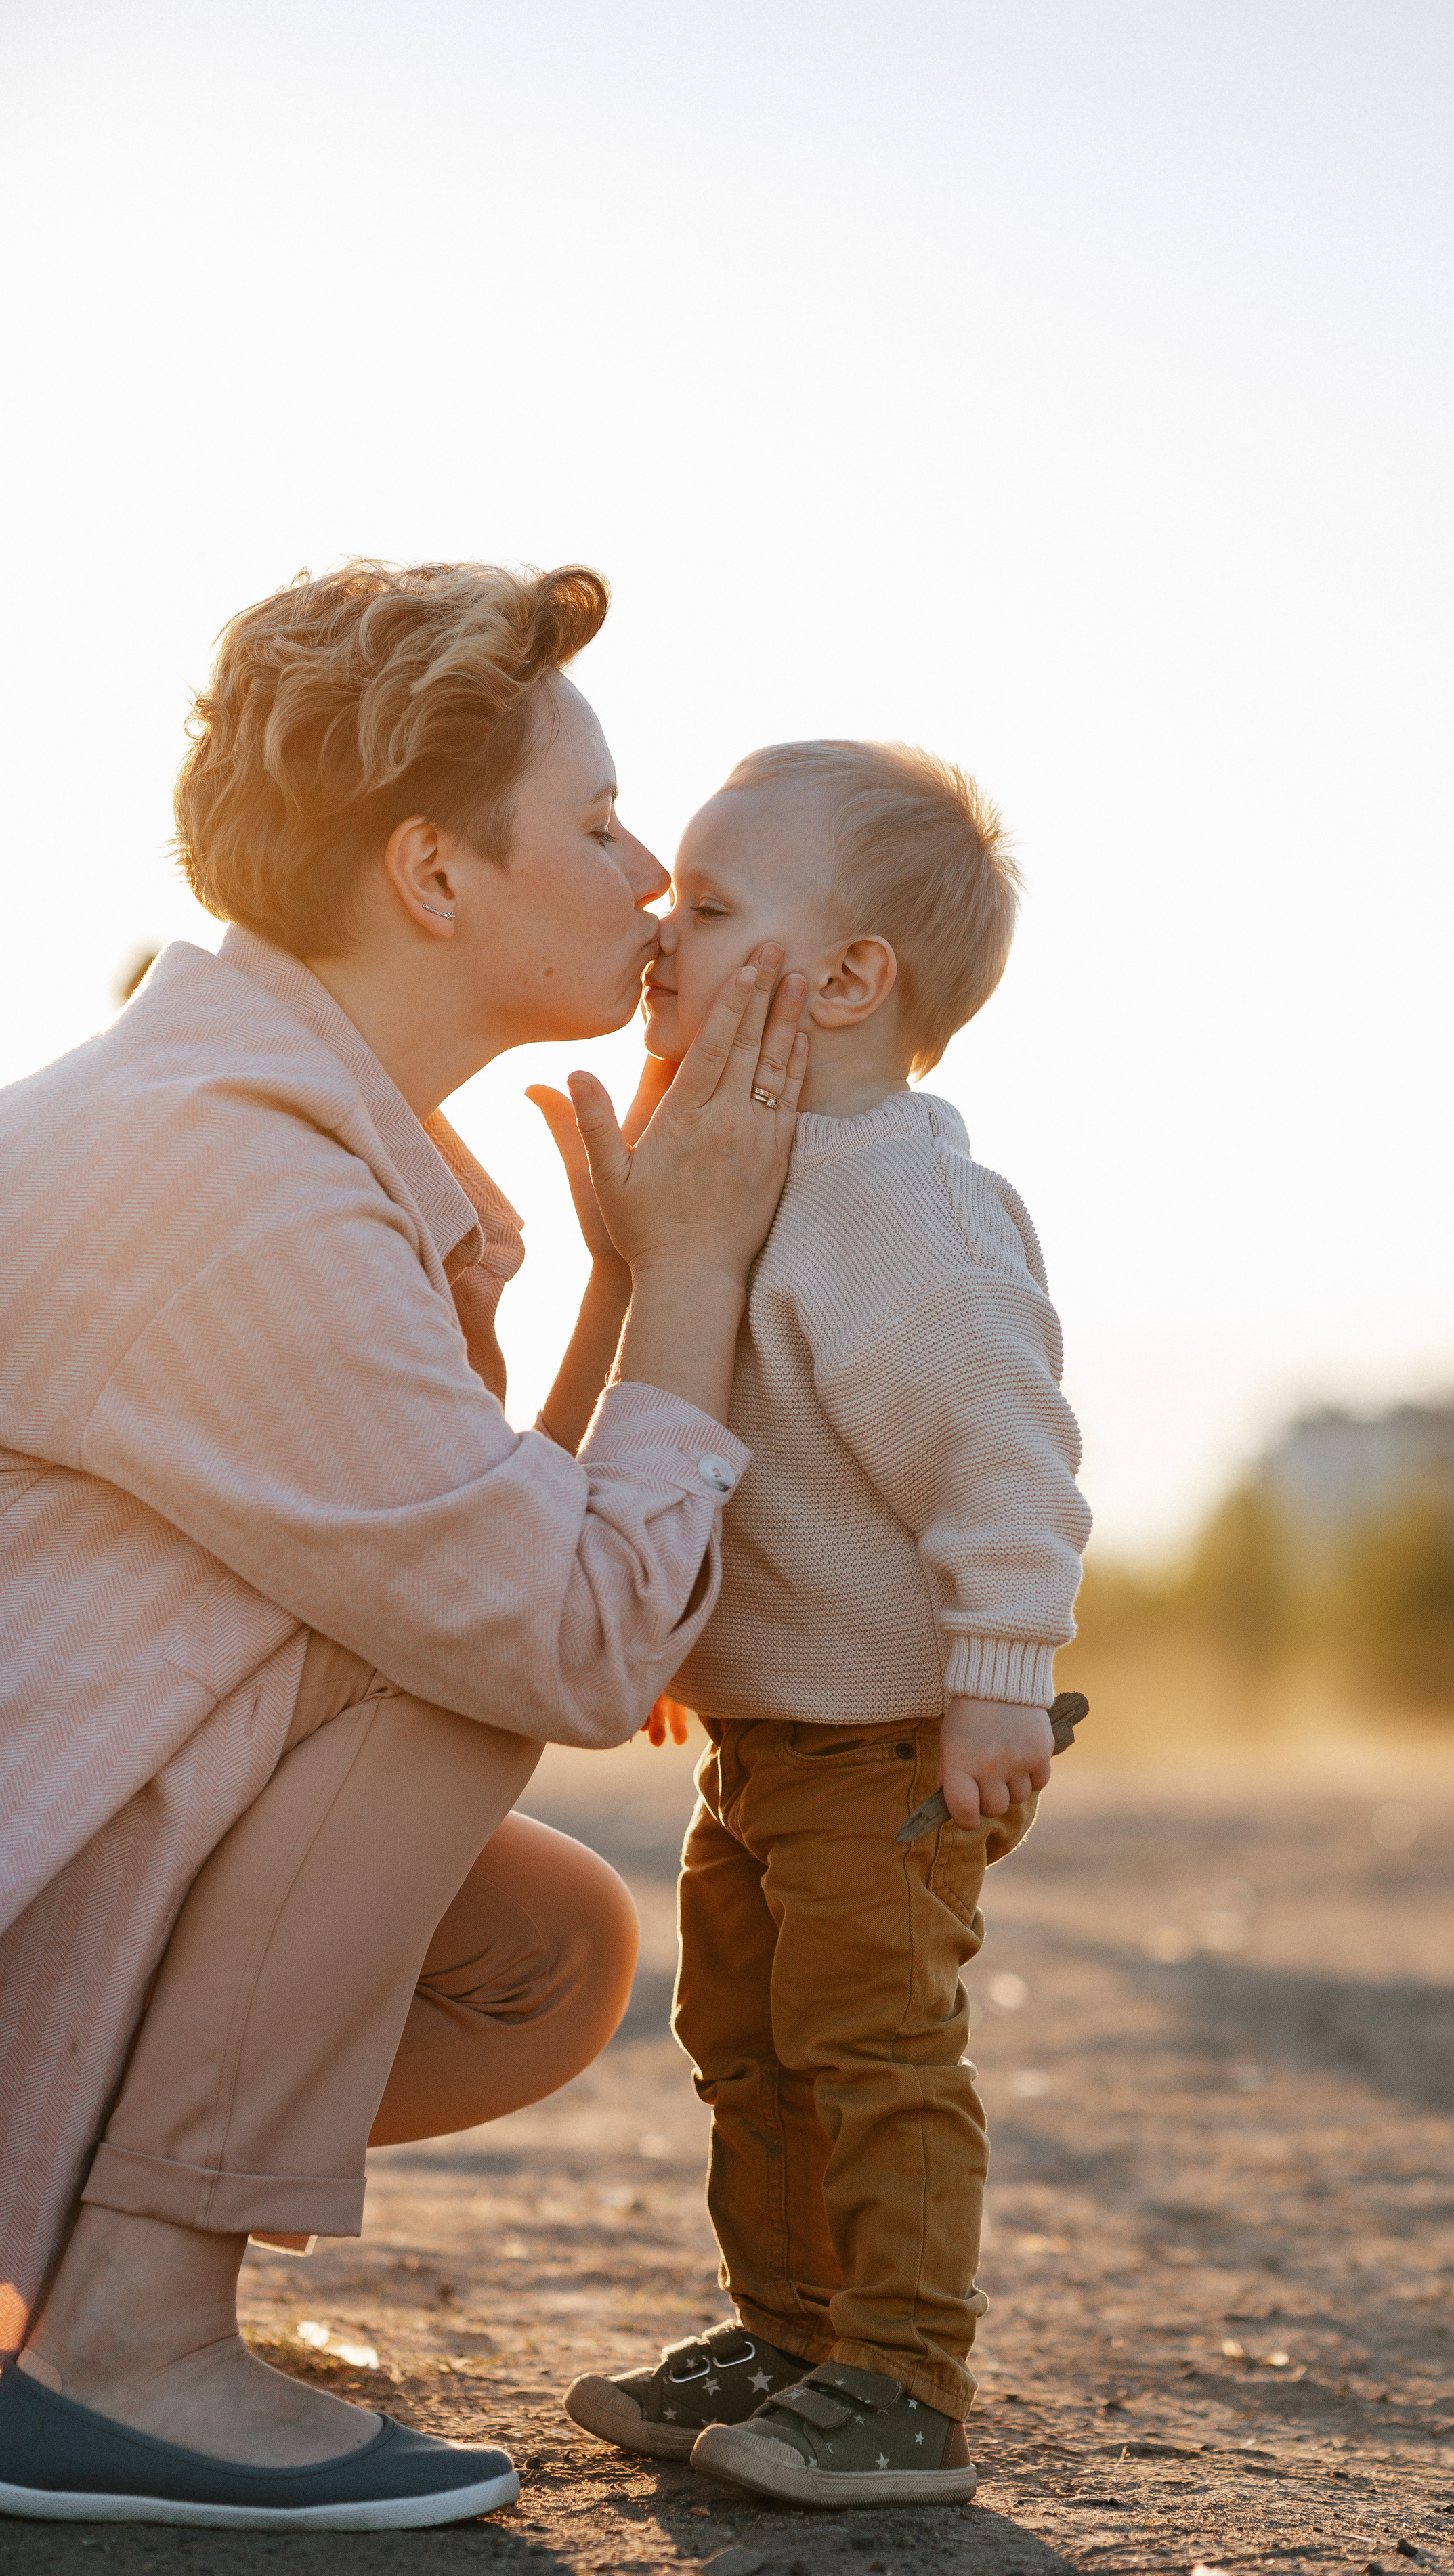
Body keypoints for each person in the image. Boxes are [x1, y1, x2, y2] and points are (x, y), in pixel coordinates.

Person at [0, 562, 810, 2531]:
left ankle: (93, 2301)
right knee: (443, 1680)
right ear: (433, 875)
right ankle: (138, 2350)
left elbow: (491, 1541)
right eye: (597, 826)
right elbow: (554, 1636)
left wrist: (624, 1288)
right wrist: (693, 1274)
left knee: (540, 1950)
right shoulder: (233, 1186)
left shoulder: (240, 1110)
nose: (652, 875)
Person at [562, 741, 1092, 2508]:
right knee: (745, 2038)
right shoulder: (745, 1172)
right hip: (763, 1738)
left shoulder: (908, 1209)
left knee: (875, 2049)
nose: (659, 930)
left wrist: (1001, 1683)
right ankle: (791, 2329)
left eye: (709, 909)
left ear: (852, 978)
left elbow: (1004, 1462)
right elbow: (730, 1442)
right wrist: (676, 1626)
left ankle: (904, 2381)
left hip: (890, 1751)